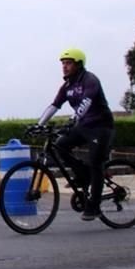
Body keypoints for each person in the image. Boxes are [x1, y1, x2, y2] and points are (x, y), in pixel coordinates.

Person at [33, 47, 115, 221]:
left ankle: (94, 207)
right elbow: (55, 105)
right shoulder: (67, 85)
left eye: (68, 63)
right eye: (63, 63)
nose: (64, 66)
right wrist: (39, 125)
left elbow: (86, 102)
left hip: (100, 126)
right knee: (60, 146)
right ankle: (83, 176)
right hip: (83, 126)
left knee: (96, 163)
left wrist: (72, 119)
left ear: (78, 64)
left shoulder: (90, 80)